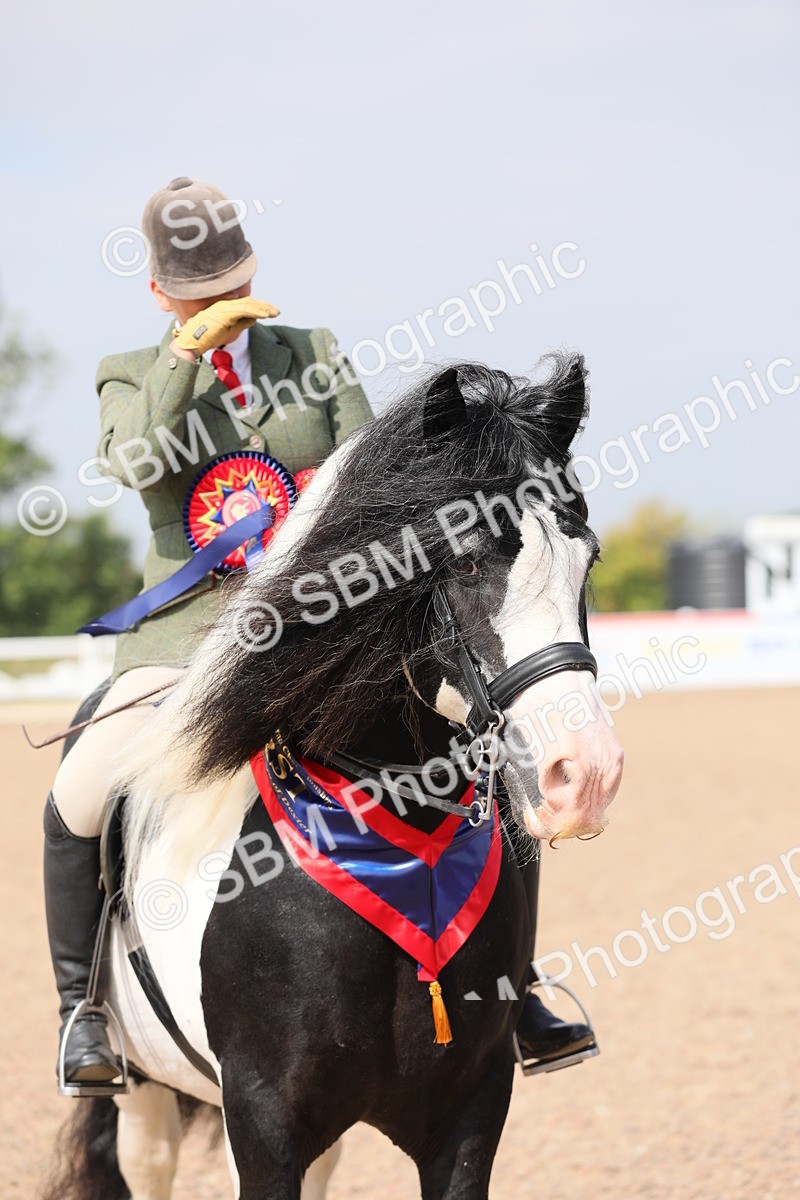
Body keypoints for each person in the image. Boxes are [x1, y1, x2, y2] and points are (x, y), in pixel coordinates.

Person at [43, 176, 593, 1092]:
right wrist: (186, 358)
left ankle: (517, 987)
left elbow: (367, 482)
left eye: (232, 281)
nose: (220, 301)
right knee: (78, 794)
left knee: (489, 750)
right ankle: (84, 1015)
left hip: (320, 635)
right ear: (159, 294)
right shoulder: (127, 371)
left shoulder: (315, 353)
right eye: (198, 289)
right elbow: (136, 462)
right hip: (183, 646)